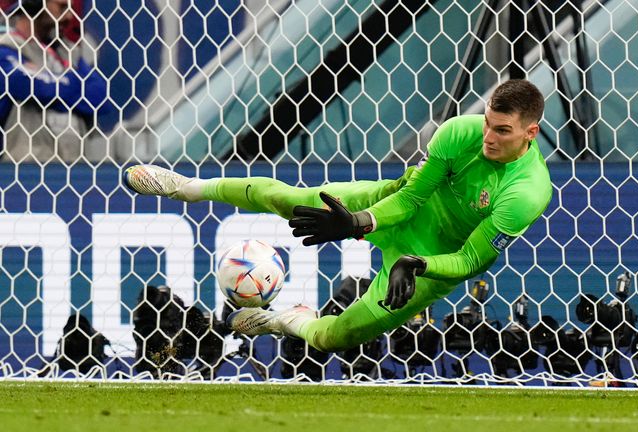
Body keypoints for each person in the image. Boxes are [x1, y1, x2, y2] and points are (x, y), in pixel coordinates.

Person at [123, 79, 553, 353]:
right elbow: (411, 199)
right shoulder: (460, 132)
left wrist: (417, 264)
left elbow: (470, 262)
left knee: (339, 337)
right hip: (393, 203)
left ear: (530, 133)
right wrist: (357, 222)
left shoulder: (527, 192)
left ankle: (284, 320)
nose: (488, 138)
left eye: (502, 131)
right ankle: (188, 187)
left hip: (430, 263)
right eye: (488, 125)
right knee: (291, 201)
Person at [0, 0, 109, 163]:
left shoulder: (68, 52)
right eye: (62, 7)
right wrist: (74, 83)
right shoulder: (5, 50)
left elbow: (100, 98)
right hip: (23, 173)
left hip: (73, 169)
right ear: (34, 3)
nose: (69, 16)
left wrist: (52, 84)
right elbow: (38, 88)